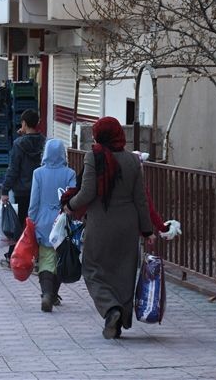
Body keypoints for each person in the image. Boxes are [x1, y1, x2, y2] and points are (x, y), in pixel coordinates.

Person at [63, 116, 154, 339]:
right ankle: (119, 319)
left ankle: (110, 309)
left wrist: (69, 206)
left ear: (100, 135)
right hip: (128, 224)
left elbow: (87, 192)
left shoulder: (93, 157)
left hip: (101, 223)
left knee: (92, 269)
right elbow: (140, 199)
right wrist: (148, 230)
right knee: (124, 272)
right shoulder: (133, 161)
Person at [28, 138, 76, 312]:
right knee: (60, 259)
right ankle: (53, 294)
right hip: (62, 221)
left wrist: (31, 220)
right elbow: (73, 198)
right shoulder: (69, 173)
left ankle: (47, 294)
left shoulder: (38, 173)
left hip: (43, 221)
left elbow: (34, 201)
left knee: (46, 259)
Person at [0, 109, 46, 267]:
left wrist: (5, 190)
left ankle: (15, 255)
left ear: (24, 123)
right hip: (40, 190)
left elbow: (13, 169)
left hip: (22, 190)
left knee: (19, 224)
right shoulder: (44, 142)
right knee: (36, 223)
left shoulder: (19, 144)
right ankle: (37, 255)